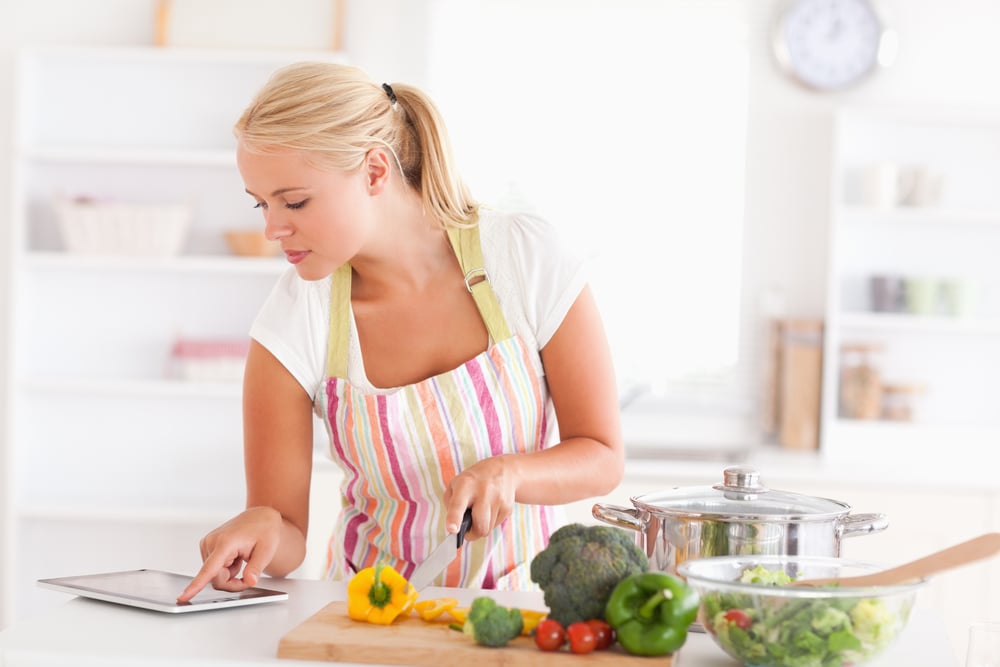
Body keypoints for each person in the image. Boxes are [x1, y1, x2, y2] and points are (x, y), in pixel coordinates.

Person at [179, 62, 623, 601]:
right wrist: (263, 530)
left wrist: (511, 473)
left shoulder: (522, 258)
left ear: (373, 171)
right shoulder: (297, 315)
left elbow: (601, 454)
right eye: (261, 203)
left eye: (294, 202)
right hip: (369, 616)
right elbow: (288, 530)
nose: (272, 228)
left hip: (523, 610)